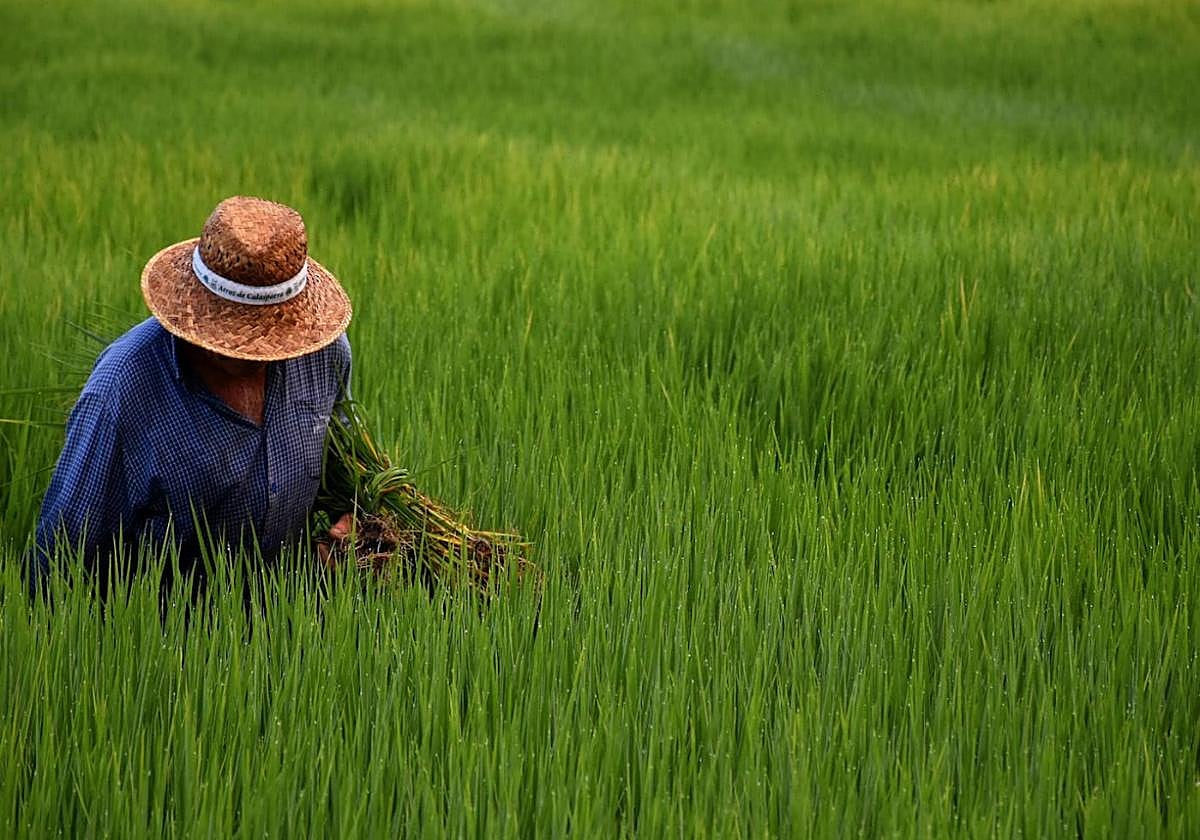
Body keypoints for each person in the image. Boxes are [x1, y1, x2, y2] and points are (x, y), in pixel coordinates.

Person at [28, 196, 355, 592]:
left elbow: (342, 470)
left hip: (287, 627)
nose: (253, 352)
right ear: (200, 309)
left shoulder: (323, 356)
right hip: (158, 635)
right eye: (238, 332)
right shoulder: (124, 388)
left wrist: (351, 522)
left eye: (268, 335)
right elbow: (60, 558)